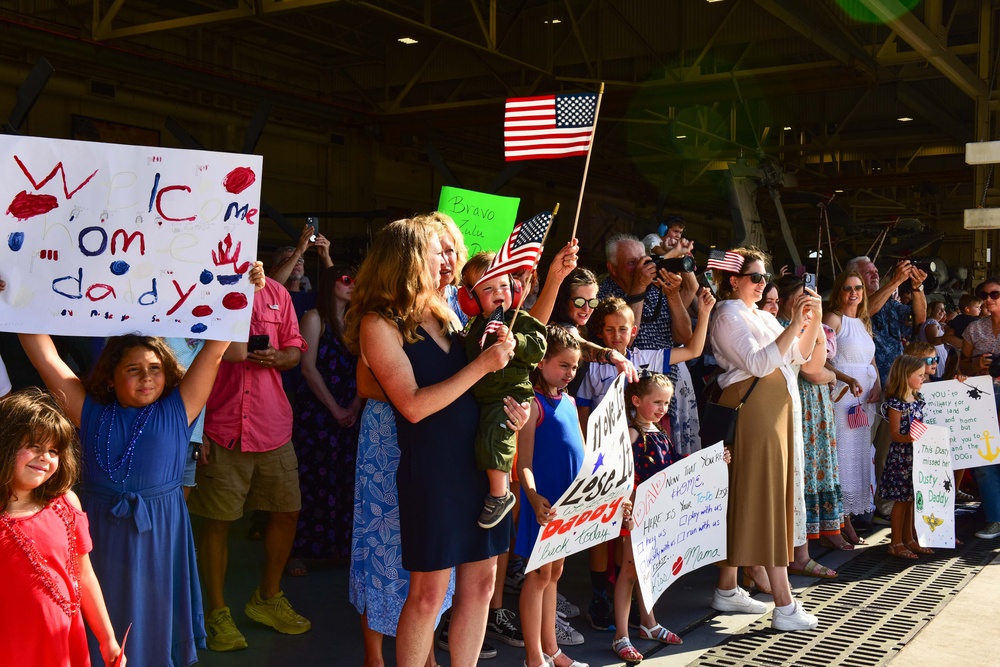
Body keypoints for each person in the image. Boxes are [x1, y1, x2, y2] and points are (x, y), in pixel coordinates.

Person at [19, 275, 258, 667]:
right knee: (102, 617)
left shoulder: (178, 408)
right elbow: (45, 357)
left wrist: (243, 289)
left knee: (155, 619)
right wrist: (16, 297)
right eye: (133, 369)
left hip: (161, 531)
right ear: (111, 377)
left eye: (155, 368)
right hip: (100, 532)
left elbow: (215, 351)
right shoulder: (89, 411)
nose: (147, 376)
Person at [344, 217, 525, 667]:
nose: (449, 261)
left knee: (482, 585)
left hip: (478, 463)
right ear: (408, 259)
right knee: (428, 595)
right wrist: (483, 366)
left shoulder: (450, 312)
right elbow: (412, 405)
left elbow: (480, 384)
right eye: (437, 252)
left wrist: (509, 411)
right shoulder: (378, 323)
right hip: (434, 467)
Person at [188, 268, 312, 652]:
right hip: (222, 424)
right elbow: (193, 355)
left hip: (272, 422)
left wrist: (279, 357)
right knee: (218, 520)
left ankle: (267, 597)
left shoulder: (277, 293)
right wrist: (197, 427)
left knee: (287, 510)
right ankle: (217, 611)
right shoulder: (201, 288)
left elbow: (295, 349)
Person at [708, 246, 823, 632]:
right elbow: (758, 362)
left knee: (751, 499)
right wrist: (794, 324)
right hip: (753, 413)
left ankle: (727, 587)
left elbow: (801, 358)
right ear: (734, 280)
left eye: (764, 278)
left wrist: (813, 319)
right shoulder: (726, 314)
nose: (761, 284)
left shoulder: (759, 314)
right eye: (755, 278)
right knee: (766, 501)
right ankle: (784, 604)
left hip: (772, 415)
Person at [0, 389, 123, 667]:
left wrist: (107, 638)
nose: (45, 457)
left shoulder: (66, 502)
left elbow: (85, 575)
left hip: (64, 640)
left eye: (53, 450)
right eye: (33, 445)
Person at [516, 326, 589, 667]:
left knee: (555, 573)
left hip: (569, 506)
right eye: (563, 365)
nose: (570, 373)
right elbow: (524, 463)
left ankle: (552, 649)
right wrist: (531, 496)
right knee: (538, 576)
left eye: (574, 367)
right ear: (542, 363)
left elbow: (582, 454)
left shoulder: (571, 402)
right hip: (544, 506)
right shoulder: (533, 404)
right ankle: (534, 655)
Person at [460, 252, 547, 529]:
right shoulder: (474, 326)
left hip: (509, 395)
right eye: (487, 288)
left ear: (515, 289)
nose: (498, 293)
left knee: (497, 435)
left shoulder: (517, 319)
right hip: (484, 396)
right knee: (486, 436)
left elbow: (539, 345)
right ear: (470, 299)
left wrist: (516, 341)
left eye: (503, 286)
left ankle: (500, 494)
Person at [289, 265, 363, 575]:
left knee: (345, 480)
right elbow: (308, 368)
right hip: (319, 414)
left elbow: (367, 368)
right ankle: (299, 551)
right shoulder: (314, 318)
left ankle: (337, 547)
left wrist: (354, 408)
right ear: (331, 282)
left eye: (355, 281)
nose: (352, 285)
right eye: (347, 279)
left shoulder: (357, 322)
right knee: (311, 482)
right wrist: (335, 408)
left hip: (350, 410)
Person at [597, 233, 699, 456]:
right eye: (631, 263)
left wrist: (672, 295)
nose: (641, 268)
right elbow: (626, 341)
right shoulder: (604, 294)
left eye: (643, 260)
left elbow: (684, 337)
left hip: (665, 391)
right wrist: (639, 288)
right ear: (612, 268)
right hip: (629, 398)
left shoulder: (657, 286)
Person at [774, 276, 848, 572]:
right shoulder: (781, 327)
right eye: (801, 298)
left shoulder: (808, 324)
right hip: (800, 403)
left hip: (816, 406)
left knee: (817, 467)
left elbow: (819, 365)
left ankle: (821, 535)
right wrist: (833, 377)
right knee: (801, 472)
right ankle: (797, 552)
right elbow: (813, 372)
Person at [611, 373, 685, 664]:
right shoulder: (633, 434)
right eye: (657, 402)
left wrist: (713, 459)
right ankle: (620, 634)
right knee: (629, 572)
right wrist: (625, 505)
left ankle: (648, 623)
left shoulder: (660, 432)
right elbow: (621, 473)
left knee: (649, 571)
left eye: (666, 402)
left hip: (657, 515)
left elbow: (674, 465)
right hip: (637, 515)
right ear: (637, 400)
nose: (662, 408)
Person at [577, 290, 714, 430]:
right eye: (610, 330)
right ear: (600, 332)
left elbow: (693, 351)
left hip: (642, 443)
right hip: (606, 444)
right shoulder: (592, 366)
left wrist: (704, 313)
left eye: (623, 329)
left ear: (633, 331)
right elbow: (583, 408)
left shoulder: (646, 358)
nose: (616, 335)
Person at [823, 270, 881, 545]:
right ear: (839, 291)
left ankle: (848, 519)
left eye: (858, 287)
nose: (853, 292)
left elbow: (870, 359)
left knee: (859, 456)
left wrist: (878, 383)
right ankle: (838, 522)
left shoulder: (864, 321)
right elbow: (819, 357)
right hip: (843, 393)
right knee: (840, 458)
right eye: (847, 288)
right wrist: (846, 378)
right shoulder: (833, 318)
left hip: (865, 396)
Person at [879, 355, 934, 559]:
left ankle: (909, 538)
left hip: (916, 457)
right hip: (902, 458)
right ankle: (896, 542)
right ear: (905, 375)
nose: (923, 379)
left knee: (912, 499)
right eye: (919, 375)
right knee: (901, 501)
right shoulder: (896, 403)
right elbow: (894, 434)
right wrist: (910, 438)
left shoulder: (918, 399)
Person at [957, 278, 1000, 540]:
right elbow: (961, 366)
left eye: (995, 293)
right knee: (984, 457)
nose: (988, 298)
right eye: (983, 294)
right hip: (982, 396)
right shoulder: (974, 329)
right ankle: (994, 517)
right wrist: (977, 364)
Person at [916, 301, 948, 379]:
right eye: (940, 309)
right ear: (932, 310)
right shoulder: (931, 322)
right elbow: (933, 340)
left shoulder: (935, 323)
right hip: (933, 356)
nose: (943, 311)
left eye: (943, 309)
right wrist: (948, 338)